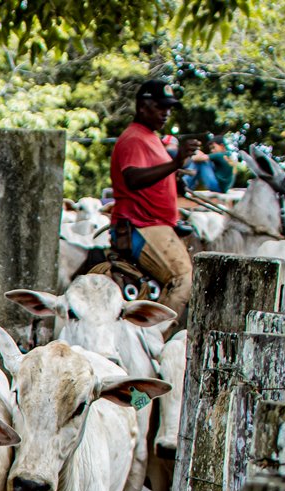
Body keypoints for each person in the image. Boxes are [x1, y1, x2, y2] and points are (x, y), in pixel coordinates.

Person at [108, 79, 201, 319]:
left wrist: (173, 176)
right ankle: (159, 338)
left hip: (156, 224)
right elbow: (132, 179)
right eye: (160, 107)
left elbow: (151, 178)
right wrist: (175, 163)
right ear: (142, 106)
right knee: (183, 279)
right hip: (142, 225)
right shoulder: (134, 139)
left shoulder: (150, 138)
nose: (166, 113)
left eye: (169, 108)